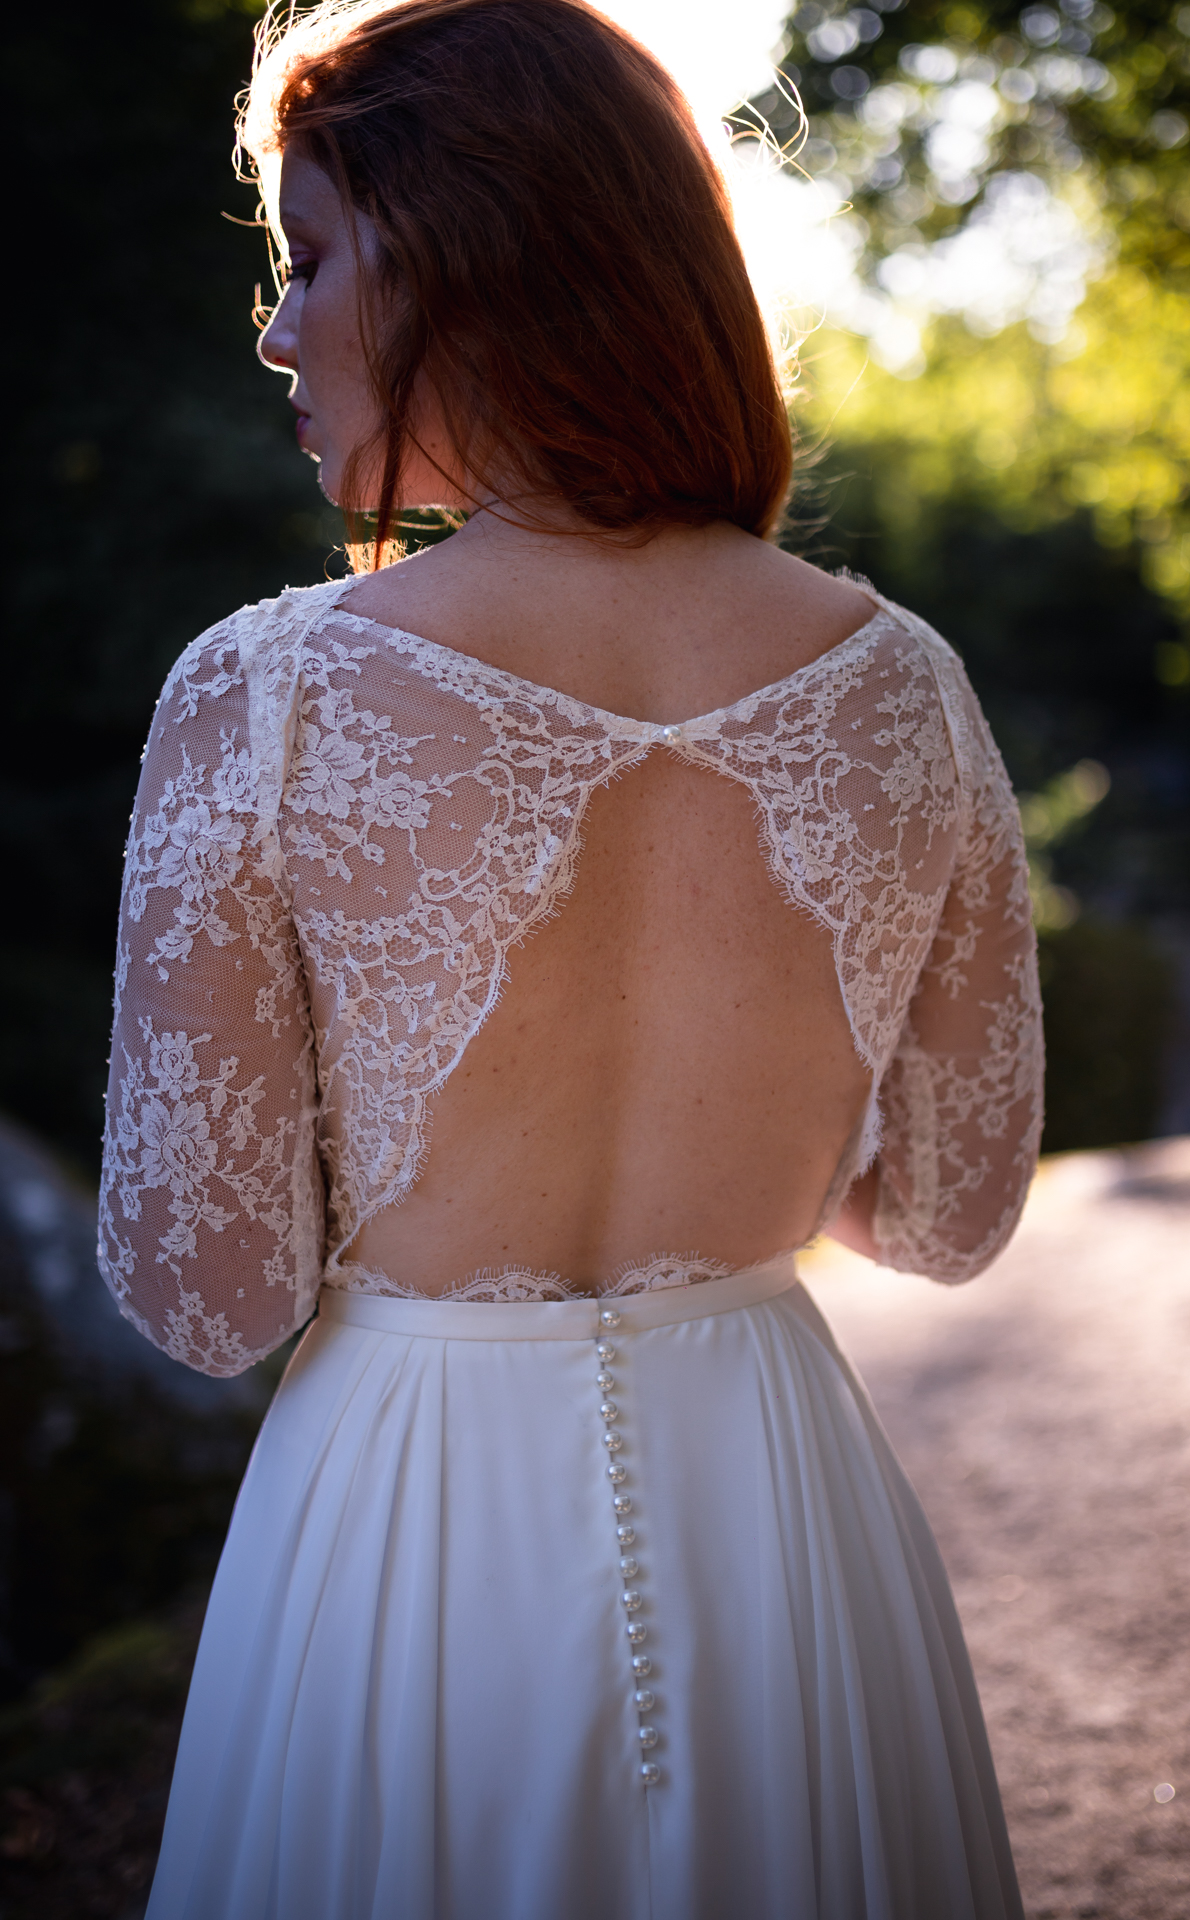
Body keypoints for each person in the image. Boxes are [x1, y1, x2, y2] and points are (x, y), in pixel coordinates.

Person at [97, 0, 1044, 1912]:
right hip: (778, 1518)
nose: (277, 327)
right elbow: (945, 1218)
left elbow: (210, 1293)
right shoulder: (907, 692)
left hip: (411, 1536)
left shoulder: (268, 697)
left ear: (473, 251)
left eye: (313, 258)